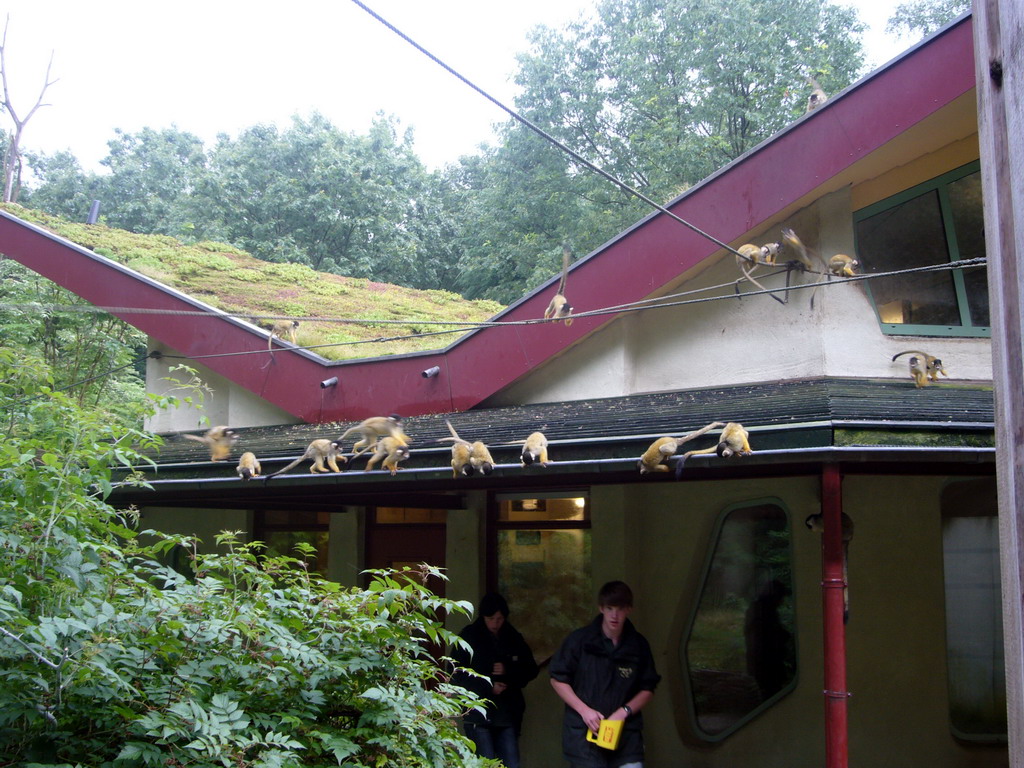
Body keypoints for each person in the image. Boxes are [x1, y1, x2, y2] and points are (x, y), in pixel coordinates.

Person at [549, 581, 660, 768]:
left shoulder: (638, 645)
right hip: (584, 737)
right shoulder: (579, 641)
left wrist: (624, 712)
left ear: (629, 610)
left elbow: (648, 688)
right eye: (609, 608)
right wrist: (585, 711)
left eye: (620, 609)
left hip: (626, 736)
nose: (614, 615)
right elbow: (557, 679)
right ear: (601, 608)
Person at [452, 592, 539, 768]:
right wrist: (489, 687)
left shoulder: (512, 636)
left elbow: (529, 668)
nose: (495, 623)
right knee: (485, 763)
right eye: (491, 618)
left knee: (511, 763)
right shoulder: (469, 636)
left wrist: (508, 670)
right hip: (478, 713)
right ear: (483, 616)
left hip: (506, 712)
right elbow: (456, 674)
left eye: (499, 619)